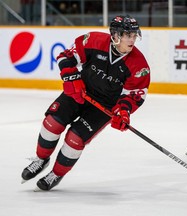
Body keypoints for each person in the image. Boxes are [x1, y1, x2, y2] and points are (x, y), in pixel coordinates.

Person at [21, 15, 150, 191]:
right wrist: (70, 77)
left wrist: (123, 111)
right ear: (115, 34)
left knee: (74, 139)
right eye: (128, 35)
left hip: (104, 107)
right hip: (80, 92)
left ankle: (56, 174)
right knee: (51, 124)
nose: (132, 39)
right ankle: (41, 159)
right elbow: (65, 56)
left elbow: (135, 94)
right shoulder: (94, 41)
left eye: (134, 35)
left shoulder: (139, 64)